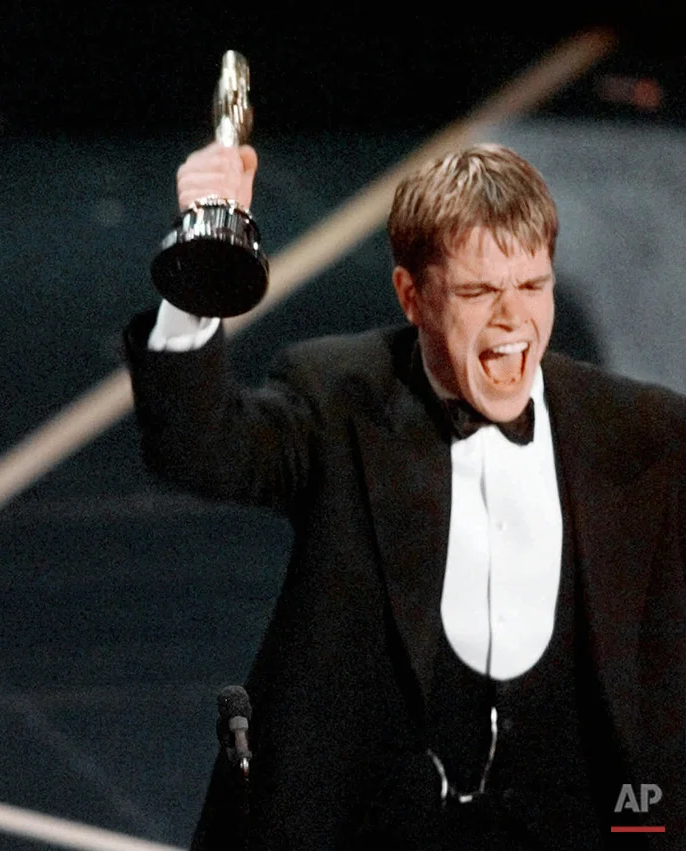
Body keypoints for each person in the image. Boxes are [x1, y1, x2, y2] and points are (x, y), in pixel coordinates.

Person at [124, 141, 685, 849]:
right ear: (411, 295)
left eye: (533, 285)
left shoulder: (645, 434)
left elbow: (662, 694)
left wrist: (653, 827)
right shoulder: (338, 397)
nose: (513, 320)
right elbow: (196, 449)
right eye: (480, 291)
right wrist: (201, 269)